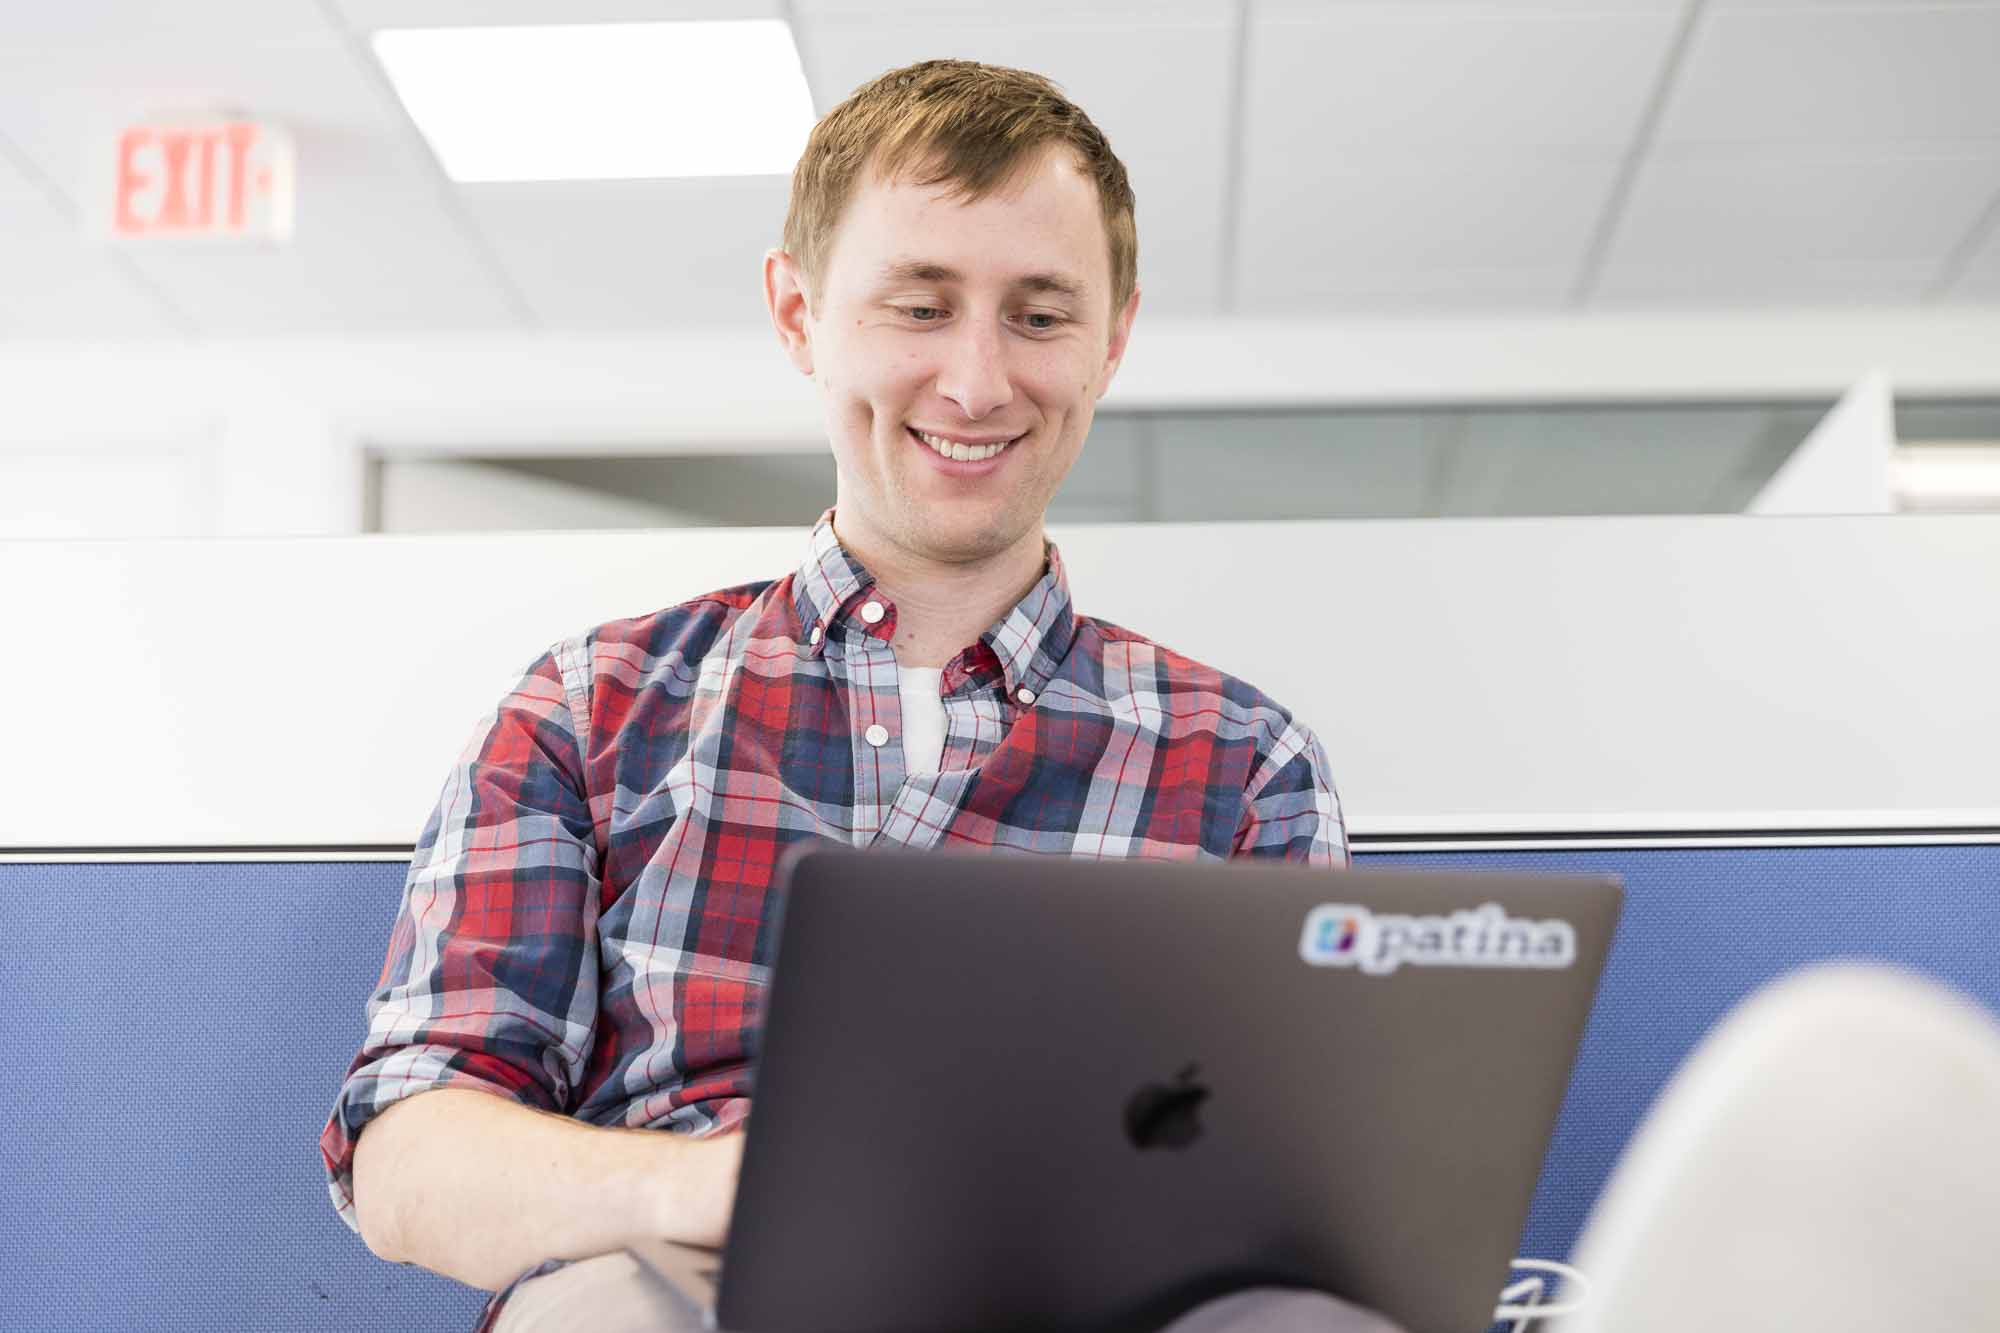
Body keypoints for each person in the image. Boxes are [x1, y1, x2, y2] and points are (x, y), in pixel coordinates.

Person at [320, 59, 1388, 1333]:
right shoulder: (590, 710)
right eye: (918, 308)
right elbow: (410, 1159)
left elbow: (1291, 1201)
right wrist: (716, 1184)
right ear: (798, 313)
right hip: (694, 1291)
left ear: (1112, 339)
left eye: (1039, 317)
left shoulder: (1243, 762)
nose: (979, 381)